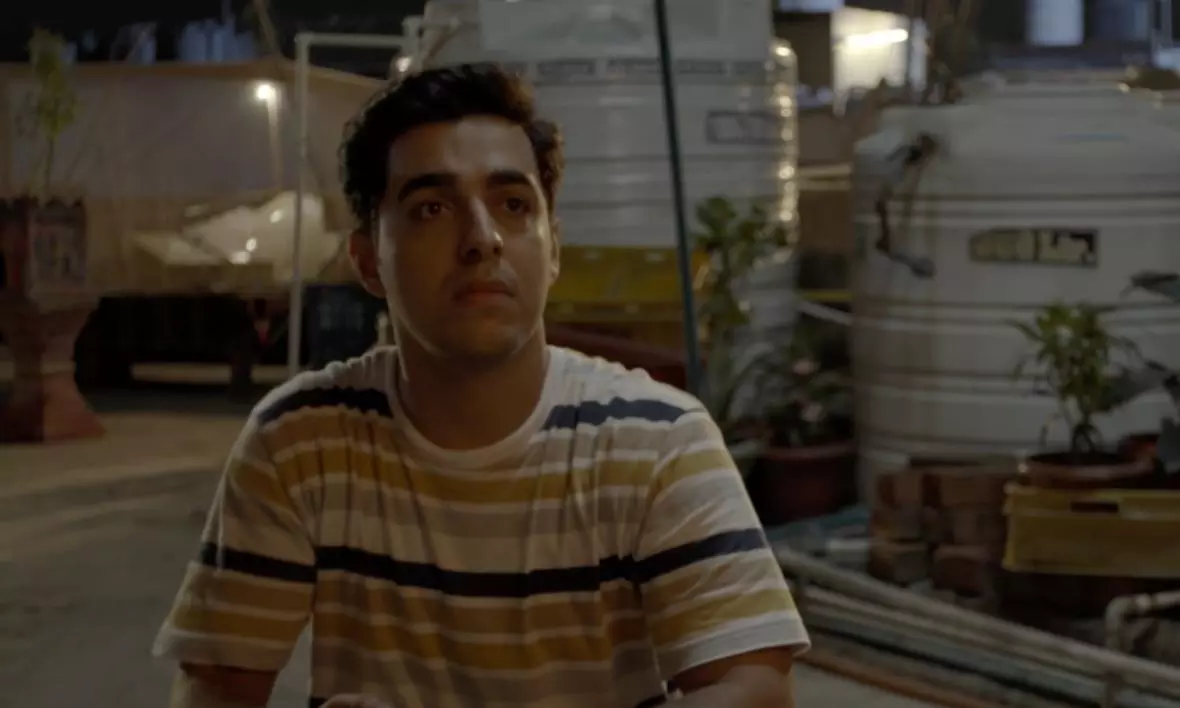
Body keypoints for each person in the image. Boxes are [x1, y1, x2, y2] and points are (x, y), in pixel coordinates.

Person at [154, 63, 809, 708]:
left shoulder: (658, 441)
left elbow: (754, 688)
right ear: (368, 260)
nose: (482, 239)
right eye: (432, 208)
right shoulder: (299, 442)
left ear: (553, 248)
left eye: (514, 205)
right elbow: (218, 683)